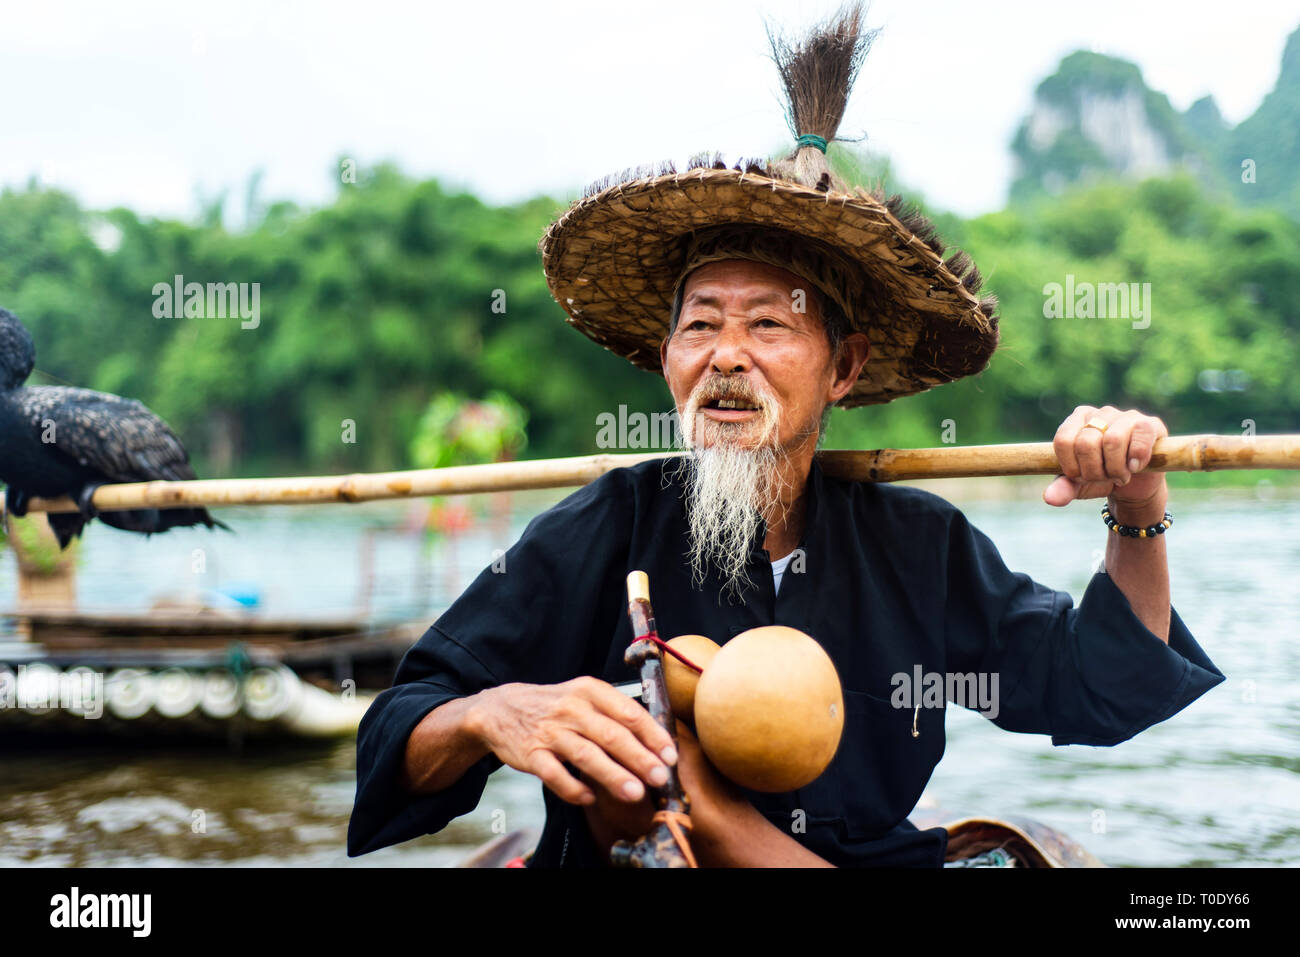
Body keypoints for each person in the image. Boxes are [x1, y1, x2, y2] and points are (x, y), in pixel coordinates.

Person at [347, 4, 1223, 867]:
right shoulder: (611, 527)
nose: (727, 355)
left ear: (843, 367)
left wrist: (1138, 505)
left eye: (769, 324)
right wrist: (494, 713)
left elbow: (1107, 684)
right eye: (701, 326)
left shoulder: (919, 545)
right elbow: (399, 725)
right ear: (665, 358)